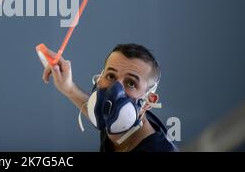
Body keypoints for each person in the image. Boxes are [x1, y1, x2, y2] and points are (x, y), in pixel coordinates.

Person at [40, 43, 177, 152]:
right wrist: (68, 88)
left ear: (148, 102)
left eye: (131, 83)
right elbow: (103, 111)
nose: (114, 92)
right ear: (100, 78)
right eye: (111, 76)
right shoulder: (118, 124)